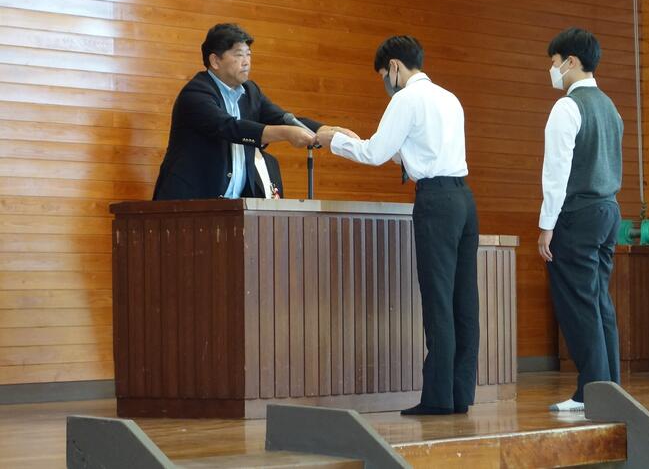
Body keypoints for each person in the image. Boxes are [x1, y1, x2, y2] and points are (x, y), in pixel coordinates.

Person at [316, 36, 480, 416]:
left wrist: (333, 141)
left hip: (436, 202)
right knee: (464, 300)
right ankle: (459, 394)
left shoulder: (405, 99)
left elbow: (375, 153)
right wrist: (364, 142)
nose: (385, 84)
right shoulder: (449, 98)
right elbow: (415, 152)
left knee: (438, 300)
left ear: (393, 67)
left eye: (382, 76)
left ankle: (437, 398)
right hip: (464, 200)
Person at [537, 27, 624, 412]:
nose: (552, 69)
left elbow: (556, 171)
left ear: (570, 61)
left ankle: (592, 393)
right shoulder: (610, 106)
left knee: (577, 304)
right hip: (609, 210)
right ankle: (610, 390)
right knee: (598, 301)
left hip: (577, 213)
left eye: (554, 62)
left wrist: (547, 224)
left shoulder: (567, 107)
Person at [153, 23, 329, 200]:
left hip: (232, 207)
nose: (246, 62)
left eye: (248, 54)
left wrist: (325, 130)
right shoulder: (196, 92)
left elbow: (282, 118)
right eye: (239, 55)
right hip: (187, 203)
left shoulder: (251, 92)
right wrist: (286, 133)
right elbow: (229, 127)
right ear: (215, 61)